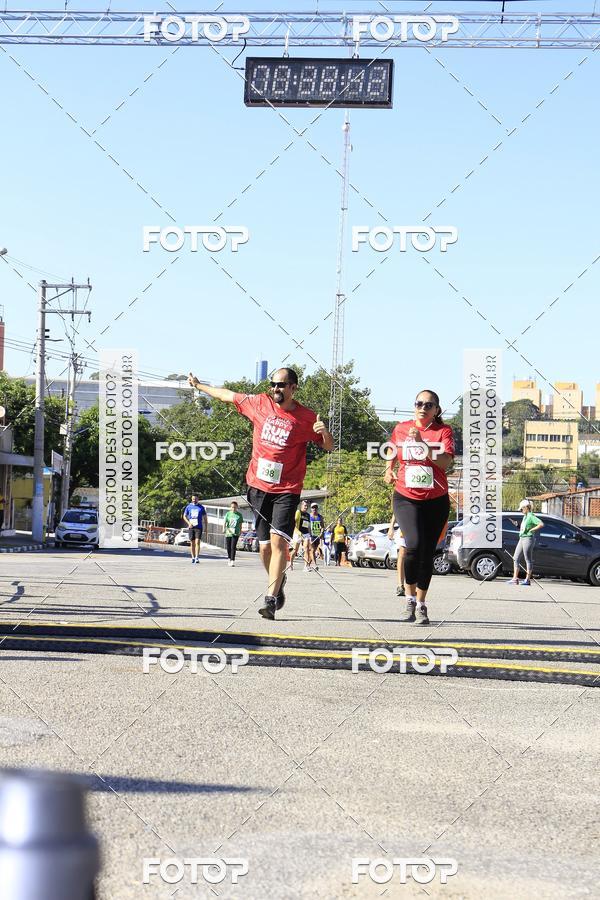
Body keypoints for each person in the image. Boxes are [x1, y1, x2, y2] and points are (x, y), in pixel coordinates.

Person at [188, 368, 333, 618]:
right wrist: (200, 387)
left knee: (279, 543)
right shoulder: (259, 403)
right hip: (258, 487)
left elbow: (329, 447)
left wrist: (324, 431)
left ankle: (270, 599)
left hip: (287, 490)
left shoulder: (307, 417)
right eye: (273, 384)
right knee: (264, 548)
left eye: (281, 385)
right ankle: (278, 583)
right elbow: (227, 395)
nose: (275, 389)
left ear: (293, 388)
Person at [384, 390, 455, 625]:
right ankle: (409, 599)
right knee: (412, 546)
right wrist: (388, 469)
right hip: (406, 497)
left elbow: (445, 463)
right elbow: (392, 450)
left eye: (429, 405)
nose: (423, 407)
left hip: (435, 500)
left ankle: (422, 604)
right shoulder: (401, 428)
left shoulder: (443, 432)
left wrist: (422, 444)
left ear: (436, 410)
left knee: (426, 553)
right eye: (419, 403)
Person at [509, 499, 543, 586]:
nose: (521, 510)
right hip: (522, 538)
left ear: (526, 508)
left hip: (528, 539)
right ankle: (515, 579)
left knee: (528, 559)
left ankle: (527, 580)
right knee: (515, 557)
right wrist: (518, 525)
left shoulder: (531, 516)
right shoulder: (525, 516)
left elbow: (541, 524)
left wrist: (532, 529)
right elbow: (525, 528)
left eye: (521, 509)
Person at [183, 494, 208, 564]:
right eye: (193, 499)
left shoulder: (201, 507)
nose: (194, 500)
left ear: (198, 499)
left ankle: (197, 557)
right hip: (191, 527)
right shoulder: (188, 507)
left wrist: (206, 528)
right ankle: (193, 557)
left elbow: (205, 518)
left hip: (199, 527)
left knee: (197, 542)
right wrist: (188, 523)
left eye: (195, 499)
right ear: (191, 499)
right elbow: (184, 516)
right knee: (192, 543)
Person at [387, 516, 406, 597]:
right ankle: (400, 585)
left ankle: (416, 585)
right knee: (402, 554)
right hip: (406, 526)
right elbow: (396, 510)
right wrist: (391, 527)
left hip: (420, 526)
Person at [290, 499, 311, 571]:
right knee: (295, 550)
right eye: (305, 505)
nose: (306, 507)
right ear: (301, 505)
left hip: (306, 534)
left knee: (306, 549)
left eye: (307, 506)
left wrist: (309, 534)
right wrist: (299, 533)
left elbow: (308, 526)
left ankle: (306, 566)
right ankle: (291, 564)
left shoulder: (308, 515)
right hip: (298, 533)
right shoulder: (298, 512)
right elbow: (294, 524)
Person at [223, 500, 243, 567]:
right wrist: (223, 528)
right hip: (228, 532)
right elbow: (225, 522)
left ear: (237, 507)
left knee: (233, 547)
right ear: (230, 507)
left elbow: (240, 524)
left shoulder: (239, 515)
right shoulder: (228, 514)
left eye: (234, 507)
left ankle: (232, 560)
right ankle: (229, 558)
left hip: (235, 533)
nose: (233, 508)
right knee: (228, 547)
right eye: (232, 507)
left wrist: (240, 531)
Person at [307, 502, 324, 571]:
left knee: (313, 551)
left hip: (317, 536)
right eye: (313, 507)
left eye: (315, 507)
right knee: (312, 550)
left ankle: (308, 565)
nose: (314, 509)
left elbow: (322, 526)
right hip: (310, 535)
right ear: (311, 509)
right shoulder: (309, 516)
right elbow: (306, 525)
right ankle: (315, 564)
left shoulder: (320, 517)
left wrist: (321, 533)